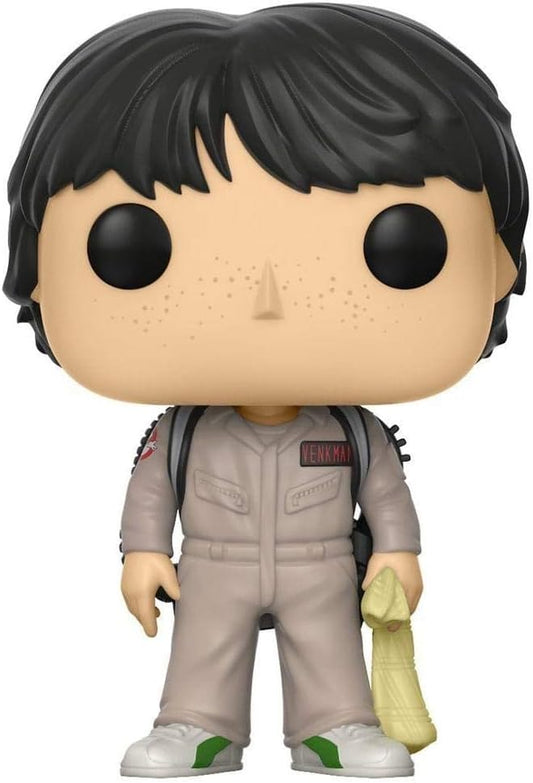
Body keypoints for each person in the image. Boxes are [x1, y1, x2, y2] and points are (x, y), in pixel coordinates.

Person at [3, 5, 527, 778]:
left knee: (328, 648)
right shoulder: (181, 432)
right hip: (212, 561)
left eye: (399, 244)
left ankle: (336, 726)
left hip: (323, 562)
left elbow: (385, 493)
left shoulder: (353, 432)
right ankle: (195, 725)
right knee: (203, 647)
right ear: (37, 269)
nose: (266, 299)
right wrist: (142, 551)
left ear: (498, 266)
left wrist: (397, 552)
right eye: (134, 247)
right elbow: (151, 489)